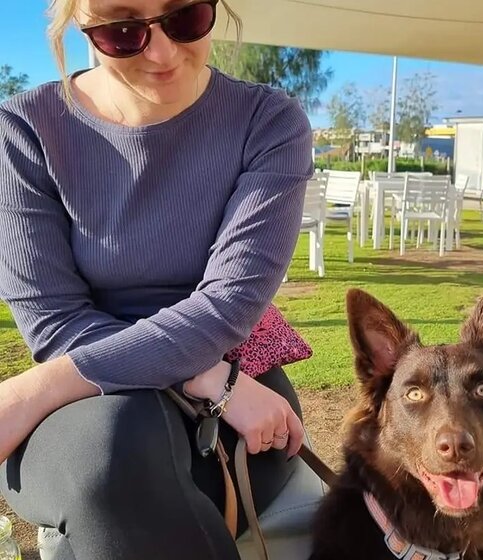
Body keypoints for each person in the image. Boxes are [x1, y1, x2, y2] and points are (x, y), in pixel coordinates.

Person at [0, 0, 313, 558]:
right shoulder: (25, 129)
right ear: (79, 22)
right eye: (123, 31)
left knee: (116, 466)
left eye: (185, 17)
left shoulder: (267, 122)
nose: (163, 53)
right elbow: (53, 319)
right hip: (150, 397)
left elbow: (228, 305)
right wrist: (204, 374)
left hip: (236, 395)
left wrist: (34, 391)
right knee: (111, 450)